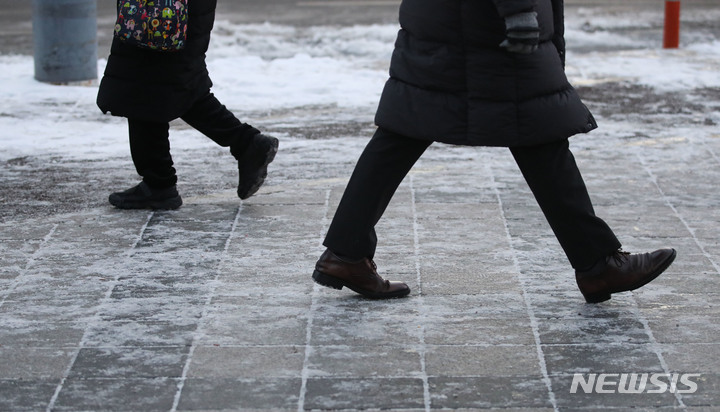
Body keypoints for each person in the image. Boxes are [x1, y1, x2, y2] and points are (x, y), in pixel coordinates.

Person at [312, 0, 676, 303]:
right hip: (484, 23)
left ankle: (345, 252)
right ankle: (599, 265)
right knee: (536, 131)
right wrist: (517, 9)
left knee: (407, 130)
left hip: (453, 19)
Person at [97, 0, 278, 210]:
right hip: (176, 11)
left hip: (163, 11)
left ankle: (159, 184)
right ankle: (246, 144)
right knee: (173, 84)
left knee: (145, 85)